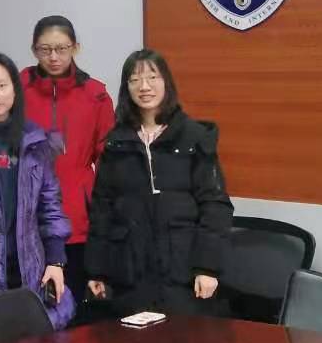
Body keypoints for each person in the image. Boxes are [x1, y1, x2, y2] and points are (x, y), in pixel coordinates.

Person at [84, 49, 233, 318]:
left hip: (183, 270)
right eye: (134, 80)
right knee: (130, 341)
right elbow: (101, 209)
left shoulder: (194, 137)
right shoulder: (116, 142)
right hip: (130, 271)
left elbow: (215, 205)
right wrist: (98, 270)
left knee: (182, 340)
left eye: (152, 77)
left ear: (167, 82)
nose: (144, 86)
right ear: (126, 87)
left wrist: (208, 268)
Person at [0, 53, 75, 329]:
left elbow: (50, 205)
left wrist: (56, 261)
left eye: (2, 85)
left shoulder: (35, 141)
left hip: (29, 265)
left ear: (14, 89)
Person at [20, 16, 114, 325]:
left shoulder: (96, 94)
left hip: (78, 215)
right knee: (31, 311)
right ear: (34, 50)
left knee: (74, 310)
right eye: (45, 49)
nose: (53, 57)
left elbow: (108, 159)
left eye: (61, 48)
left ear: (76, 48)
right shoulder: (18, 88)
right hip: (28, 213)